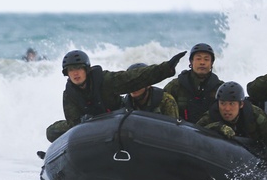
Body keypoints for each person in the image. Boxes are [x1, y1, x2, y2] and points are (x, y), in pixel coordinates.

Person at [45, 49, 186, 143]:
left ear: (86, 70)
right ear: (67, 73)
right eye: (71, 70)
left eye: (78, 69)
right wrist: (82, 121)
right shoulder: (69, 95)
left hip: (118, 123)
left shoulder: (105, 80)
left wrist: (166, 68)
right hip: (89, 129)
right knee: (52, 132)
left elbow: (134, 78)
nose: (75, 73)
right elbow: (72, 122)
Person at [196, 81, 267, 169]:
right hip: (221, 158)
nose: (227, 109)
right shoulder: (211, 116)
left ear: (241, 104)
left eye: (232, 104)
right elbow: (196, 132)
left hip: (253, 154)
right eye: (222, 103)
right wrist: (217, 127)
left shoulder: (255, 114)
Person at [163, 43, 223, 123]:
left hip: (209, 132)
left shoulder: (220, 88)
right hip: (180, 130)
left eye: (206, 59)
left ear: (211, 63)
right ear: (191, 62)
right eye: (198, 59)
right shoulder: (177, 85)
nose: (202, 62)